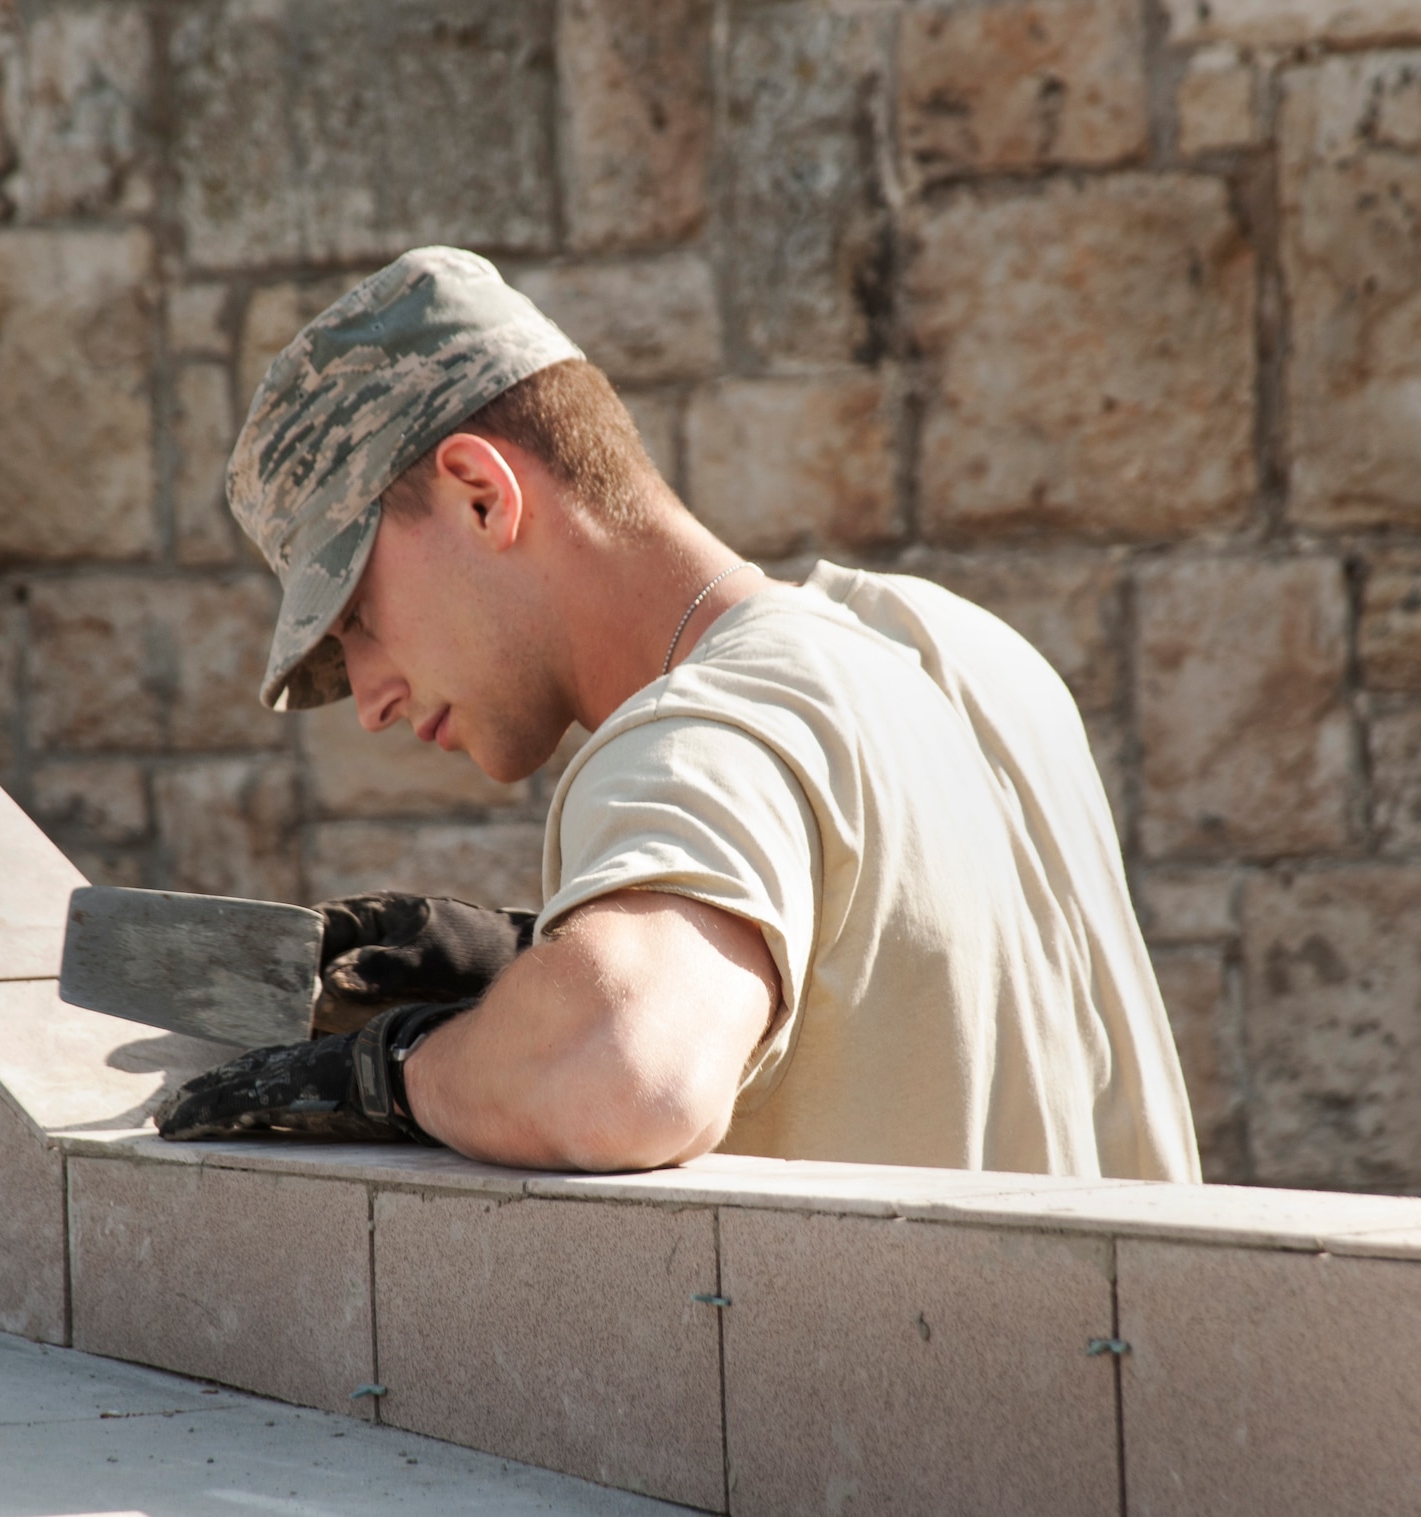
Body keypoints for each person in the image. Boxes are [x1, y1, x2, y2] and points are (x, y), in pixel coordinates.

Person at [155, 246, 1200, 1182]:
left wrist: (396, 1069)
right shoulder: (955, 648)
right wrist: (536, 966)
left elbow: (626, 1077)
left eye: (357, 617)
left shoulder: (702, 730)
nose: (370, 700)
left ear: (480, 492)